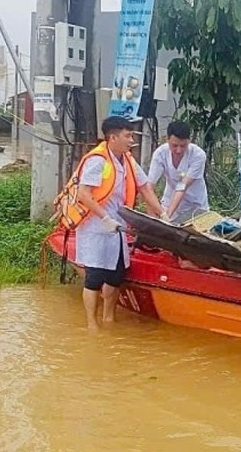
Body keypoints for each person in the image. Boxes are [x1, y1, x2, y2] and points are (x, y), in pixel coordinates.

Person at [75, 116, 166, 330]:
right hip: (96, 227)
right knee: (94, 278)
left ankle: (109, 319)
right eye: (128, 135)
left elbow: (145, 188)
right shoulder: (97, 160)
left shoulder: (128, 161)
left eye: (132, 135)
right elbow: (83, 194)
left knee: (116, 276)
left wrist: (163, 214)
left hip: (117, 228)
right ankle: (92, 325)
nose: (131, 140)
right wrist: (104, 218)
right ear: (112, 137)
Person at [147, 121, 209, 224]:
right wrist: (152, 216)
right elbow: (149, 187)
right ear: (167, 139)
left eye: (183, 146)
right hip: (169, 200)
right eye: (174, 145)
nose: (179, 150)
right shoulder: (160, 154)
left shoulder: (198, 155)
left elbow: (182, 186)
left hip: (195, 204)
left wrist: (167, 215)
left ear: (189, 141)